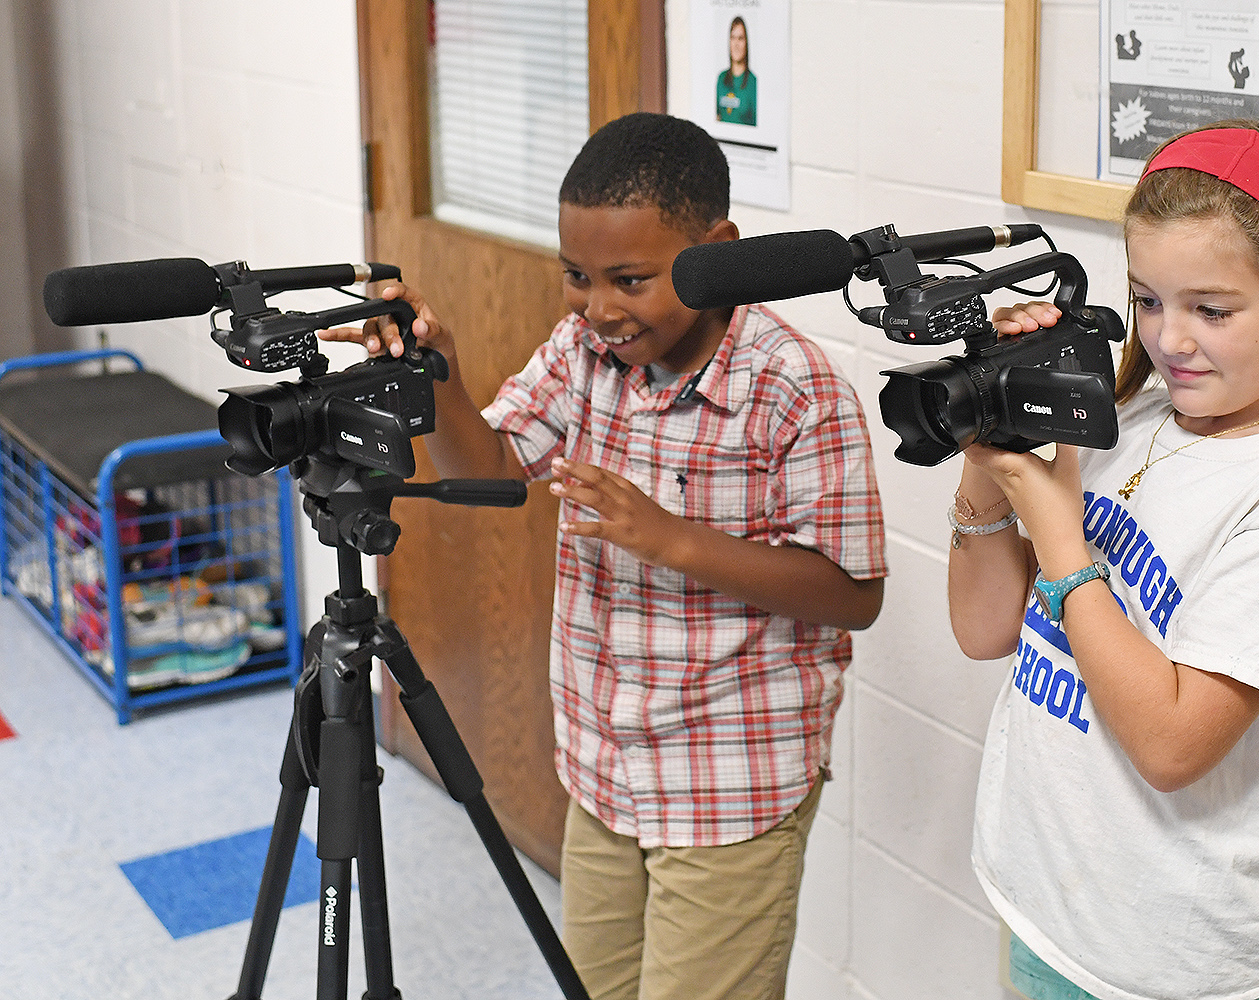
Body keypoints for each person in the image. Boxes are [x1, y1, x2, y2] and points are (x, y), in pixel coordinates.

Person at [321, 112, 887, 1000]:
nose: (600, 308)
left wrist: (670, 538)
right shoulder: (585, 350)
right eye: (578, 278)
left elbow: (854, 595)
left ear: (718, 252)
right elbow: (495, 473)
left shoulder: (794, 386)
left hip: (727, 782)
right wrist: (444, 379)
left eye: (631, 279)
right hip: (601, 766)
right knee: (592, 986)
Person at [947, 119, 1259, 1000]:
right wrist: (990, 457)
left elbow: (1173, 746)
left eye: (1211, 310)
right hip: (1051, 908)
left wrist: (1063, 540)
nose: (1168, 340)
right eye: (1147, 300)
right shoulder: (1133, 419)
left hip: (1169, 955)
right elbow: (986, 627)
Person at [716, 16, 757, 125]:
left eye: (740, 38)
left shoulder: (753, 82)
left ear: (746, 42)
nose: (736, 44)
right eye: (733, 38)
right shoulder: (721, 78)